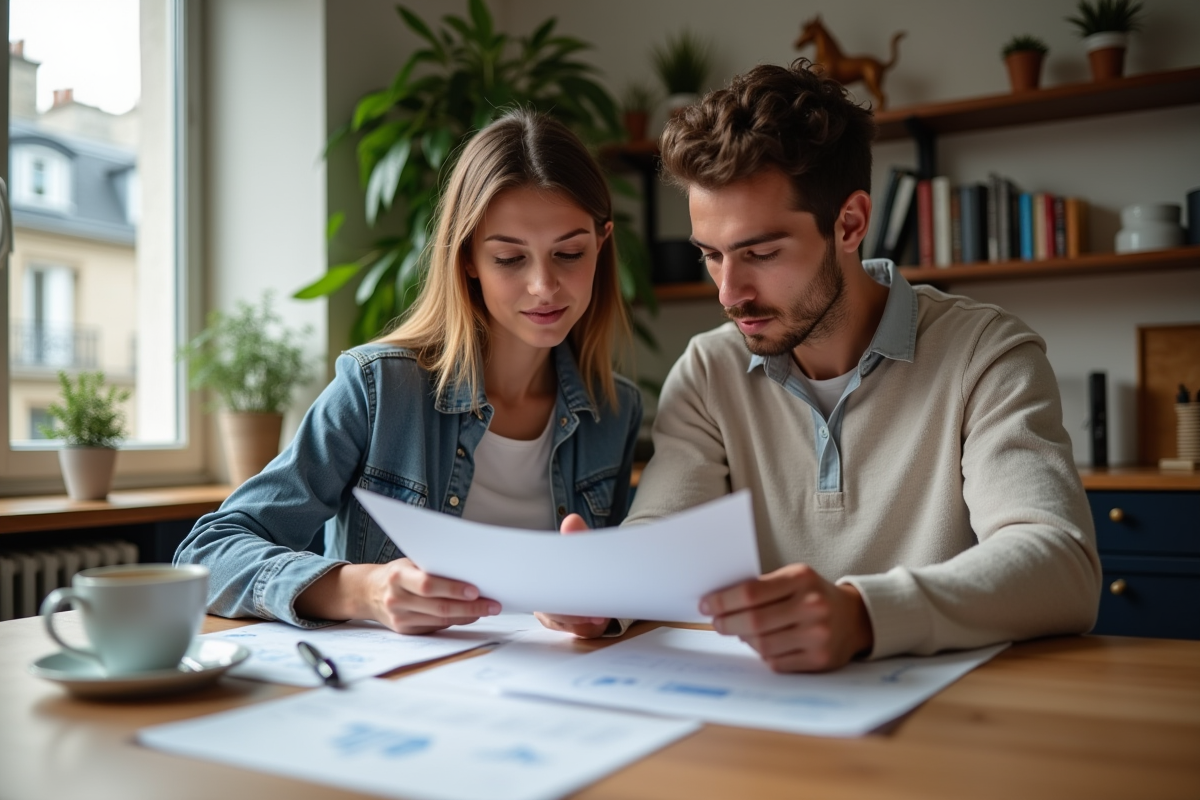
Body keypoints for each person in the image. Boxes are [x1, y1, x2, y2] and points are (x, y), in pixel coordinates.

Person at [625, 60, 1100, 672]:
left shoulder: (986, 353)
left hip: (950, 726)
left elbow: (1059, 564)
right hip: (767, 720)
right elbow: (660, 538)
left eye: (761, 252)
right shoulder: (708, 371)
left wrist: (862, 615)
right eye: (711, 256)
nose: (728, 291)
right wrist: (599, 595)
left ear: (849, 224)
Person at [176, 110, 642, 639]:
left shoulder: (614, 411)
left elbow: (619, 586)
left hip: (565, 689)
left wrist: (600, 607)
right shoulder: (379, 389)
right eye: (510, 258)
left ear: (601, 245)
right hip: (398, 692)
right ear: (467, 257)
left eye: (569, 253)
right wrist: (364, 590)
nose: (544, 285)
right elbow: (207, 553)